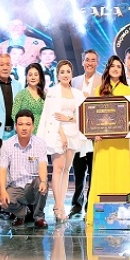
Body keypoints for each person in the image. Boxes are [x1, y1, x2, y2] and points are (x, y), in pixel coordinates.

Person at [88, 55, 130, 223]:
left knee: (121, 173)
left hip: (121, 140)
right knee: (102, 173)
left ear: (122, 71)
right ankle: (99, 215)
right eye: (113, 66)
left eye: (119, 67)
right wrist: (94, 132)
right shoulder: (99, 90)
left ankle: (123, 217)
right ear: (108, 69)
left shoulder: (127, 90)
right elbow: (92, 115)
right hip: (103, 141)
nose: (116, 69)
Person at [39, 60, 87, 222]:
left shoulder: (78, 93)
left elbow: (82, 115)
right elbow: (52, 116)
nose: (65, 74)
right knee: (58, 169)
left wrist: (69, 118)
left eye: (68, 71)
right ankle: (58, 206)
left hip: (73, 132)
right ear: (58, 75)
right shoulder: (53, 92)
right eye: (62, 72)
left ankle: (61, 205)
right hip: (57, 133)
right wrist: (62, 134)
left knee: (67, 169)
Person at [0, 109, 49, 228]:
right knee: (2, 201)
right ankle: (21, 214)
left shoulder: (40, 143)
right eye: (20, 124)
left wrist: (43, 181)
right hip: (15, 187)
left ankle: (39, 217)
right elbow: (2, 170)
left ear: (33, 126)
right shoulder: (7, 145)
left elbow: (42, 165)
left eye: (28, 124)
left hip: (32, 188)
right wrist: (2, 190)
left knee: (42, 182)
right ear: (15, 126)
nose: (24, 128)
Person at [70, 49, 100, 216]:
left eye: (93, 60)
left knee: (94, 172)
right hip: (77, 135)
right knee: (78, 171)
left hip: (96, 135)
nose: (90, 63)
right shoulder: (74, 81)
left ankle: (91, 204)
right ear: (82, 62)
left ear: (97, 63)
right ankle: (76, 205)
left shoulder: (103, 80)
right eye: (87, 59)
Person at [11, 62, 46, 135]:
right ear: (26, 77)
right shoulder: (21, 94)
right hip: (26, 133)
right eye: (30, 75)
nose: (33, 77)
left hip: (43, 132)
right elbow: (14, 115)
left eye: (36, 75)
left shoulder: (45, 95)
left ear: (40, 77)